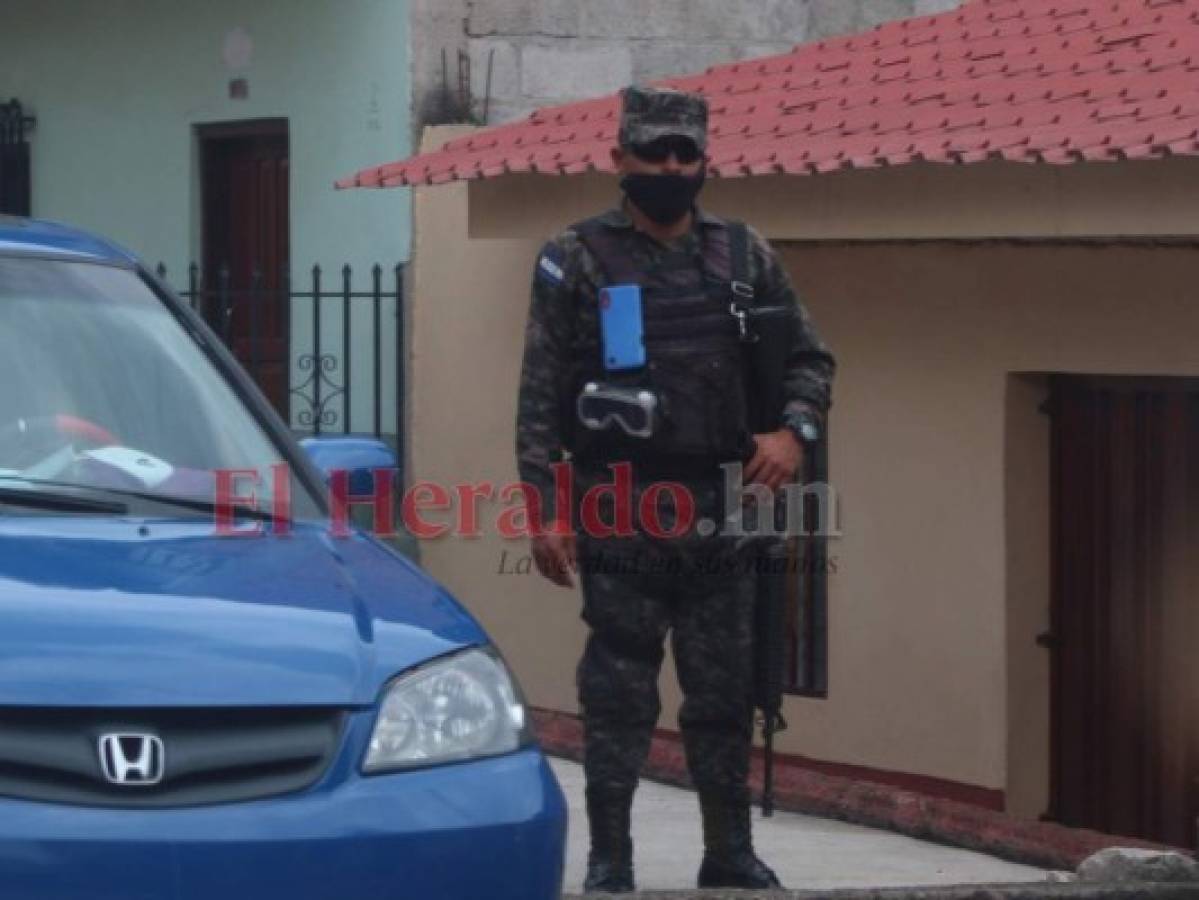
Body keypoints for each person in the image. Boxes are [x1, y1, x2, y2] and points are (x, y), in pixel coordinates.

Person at [515, 84, 835, 893]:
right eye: (652, 151)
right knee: (618, 692)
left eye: (682, 153)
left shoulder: (744, 255)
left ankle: (726, 852)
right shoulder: (575, 256)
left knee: (722, 694)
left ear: (703, 160)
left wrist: (790, 433)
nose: (668, 166)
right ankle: (610, 858)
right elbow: (540, 394)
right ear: (618, 157)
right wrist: (545, 509)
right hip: (618, 509)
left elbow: (809, 361)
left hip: (720, 512)